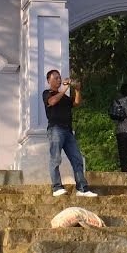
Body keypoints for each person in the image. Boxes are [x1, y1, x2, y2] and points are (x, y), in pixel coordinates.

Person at [42, 69, 97, 198]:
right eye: (55, 78)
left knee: (77, 158)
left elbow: (76, 103)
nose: (59, 80)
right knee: (55, 158)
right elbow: (52, 102)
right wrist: (65, 89)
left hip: (68, 130)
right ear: (49, 80)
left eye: (59, 77)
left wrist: (77, 90)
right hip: (55, 129)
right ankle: (57, 187)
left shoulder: (65, 97)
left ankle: (82, 188)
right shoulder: (47, 93)